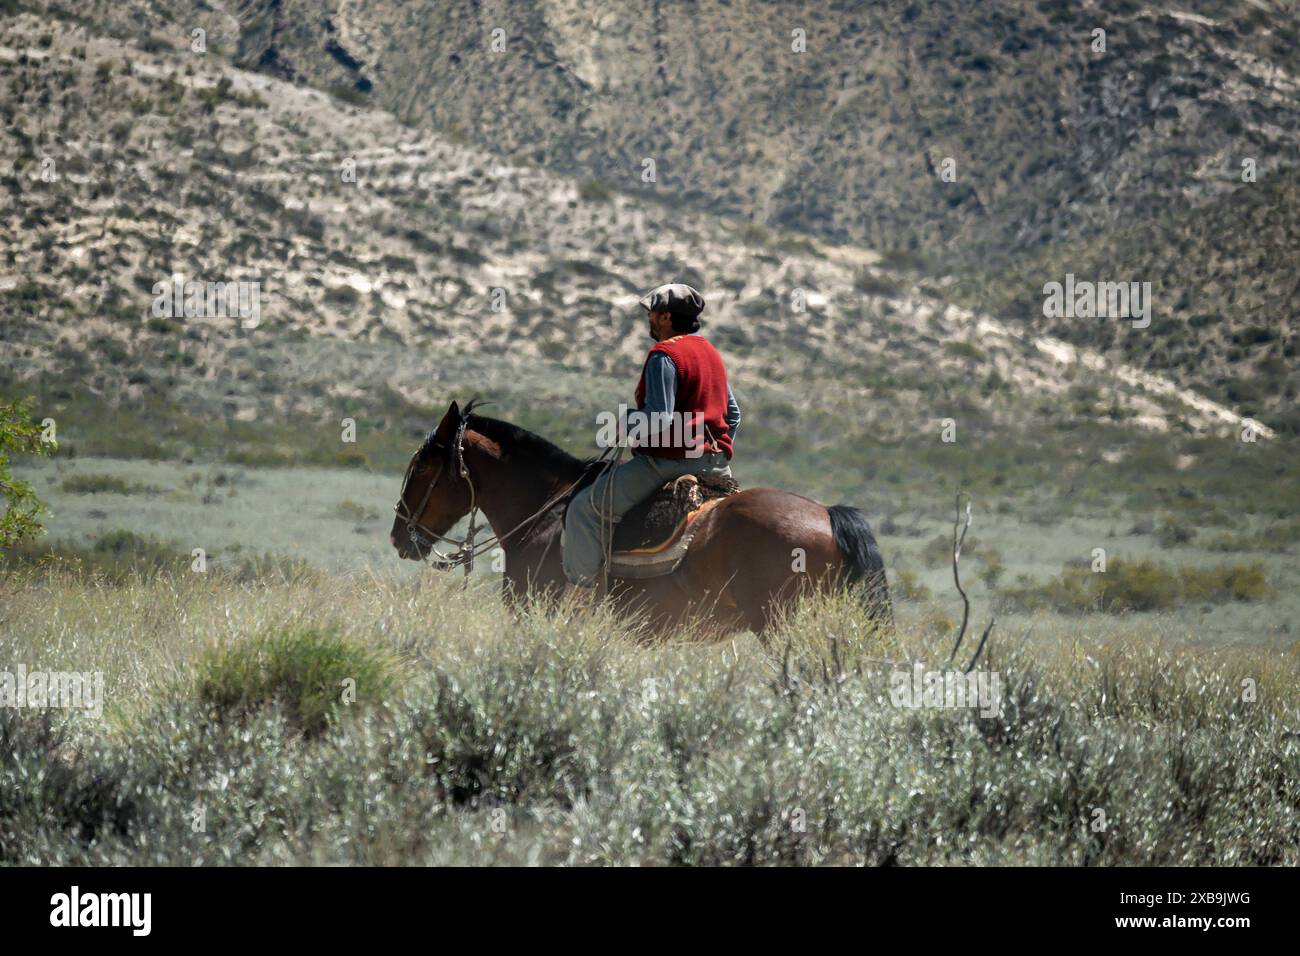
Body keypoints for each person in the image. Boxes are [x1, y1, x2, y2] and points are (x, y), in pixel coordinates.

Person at [562, 283, 741, 588]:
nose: (650, 319)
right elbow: (734, 415)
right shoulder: (710, 353)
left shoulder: (664, 354)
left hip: (668, 464)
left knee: (584, 509)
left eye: (653, 313)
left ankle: (579, 601)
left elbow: (660, 417)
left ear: (666, 317)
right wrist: (714, 448)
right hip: (718, 466)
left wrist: (626, 421)